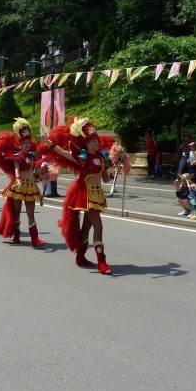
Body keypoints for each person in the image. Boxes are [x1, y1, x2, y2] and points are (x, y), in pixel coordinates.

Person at [46, 116, 115, 274]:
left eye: (97, 140)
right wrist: (49, 143)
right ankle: (102, 261)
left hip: (97, 195)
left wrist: (113, 173)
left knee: (86, 227)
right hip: (86, 195)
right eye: (93, 141)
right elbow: (64, 153)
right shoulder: (82, 158)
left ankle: (81, 256)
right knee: (99, 226)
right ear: (85, 143)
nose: (96, 143)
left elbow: (104, 178)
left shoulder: (101, 157)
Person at [0, 118, 46, 247]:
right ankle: (17, 236)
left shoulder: (32, 156)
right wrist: (18, 179)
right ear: (20, 144)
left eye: (28, 143)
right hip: (19, 186)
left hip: (30, 186)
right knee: (17, 213)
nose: (27, 145)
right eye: (25, 143)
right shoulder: (17, 157)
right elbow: (17, 169)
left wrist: (41, 175)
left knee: (31, 214)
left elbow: (33, 172)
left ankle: (35, 239)